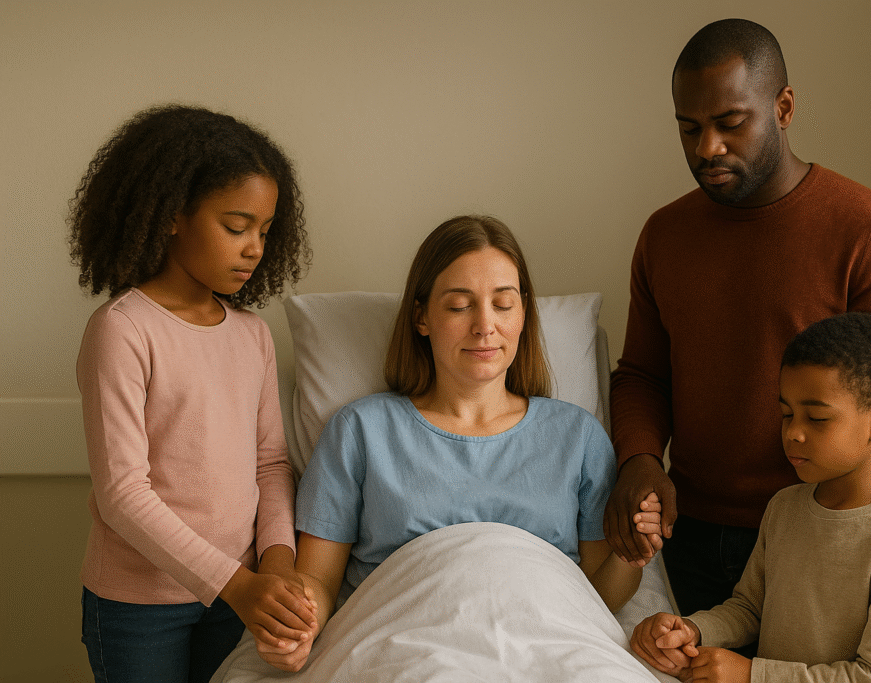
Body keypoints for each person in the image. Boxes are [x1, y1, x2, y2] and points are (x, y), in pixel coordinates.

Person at [603, 18, 871, 617]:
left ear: (782, 106)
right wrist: (642, 462)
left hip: (820, 531)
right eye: (689, 128)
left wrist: (826, 513)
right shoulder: (664, 236)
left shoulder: (870, 231)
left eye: (730, 123)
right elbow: (641, 376)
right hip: (690, 532)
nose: (707, 148)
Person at [256, 215, 644, 672]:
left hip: (551, 646)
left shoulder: (577, 436)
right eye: (460, 305)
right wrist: (297, 622)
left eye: (503, 304)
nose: (485, 326)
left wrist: (632, 551)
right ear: (421, 316)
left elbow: (598, 596)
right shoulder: (362, 430)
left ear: (523, 315)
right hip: (408, 646)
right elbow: (317, 581)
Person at [70, 104, 315, 683]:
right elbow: (123, 494)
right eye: (236, 227)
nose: (254, 247)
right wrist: (239, 584)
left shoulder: (253, 335)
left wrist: (275, 566)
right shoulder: (123, 329)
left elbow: (272, 462)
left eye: (264, 230)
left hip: (240, 599)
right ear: (172, 214)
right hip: (138, 608)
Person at [631, 312, 871, 682]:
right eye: (786, 414)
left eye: (817, 418)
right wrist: (692, 631)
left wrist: (751, 675)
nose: (793, 433)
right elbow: (748, 609)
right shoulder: (785, 507)